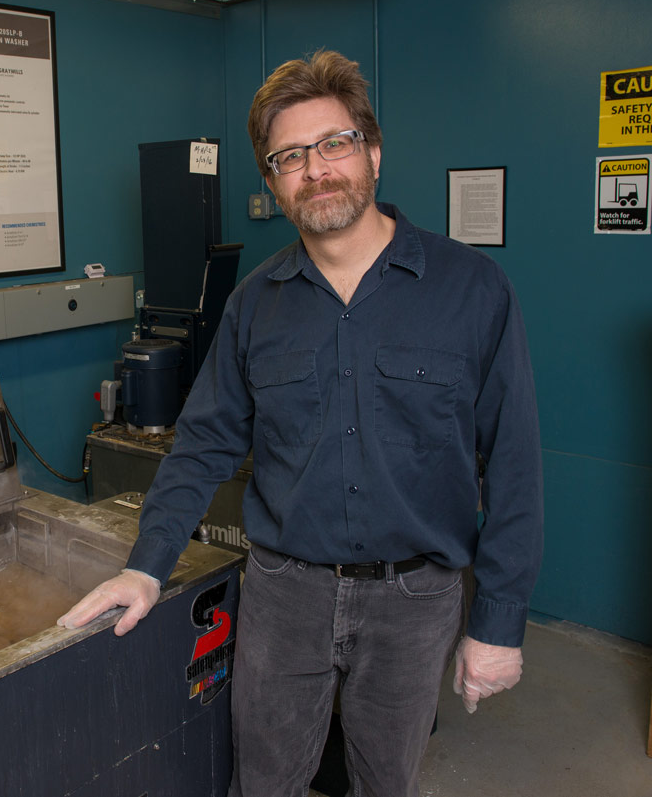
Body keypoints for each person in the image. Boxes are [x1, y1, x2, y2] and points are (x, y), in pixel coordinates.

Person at [58, 50, 542, 797]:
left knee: (389, 782)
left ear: (372, 152)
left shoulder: (472, 290)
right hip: (286, 594)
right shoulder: (255, 304)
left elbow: (512, 465)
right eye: (290, 157)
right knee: (266, 782)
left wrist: (500, 623)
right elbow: (203, 442)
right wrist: (146, 563)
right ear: (274, 182)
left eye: (334, 144)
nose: (315, 169)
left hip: (416, 600)